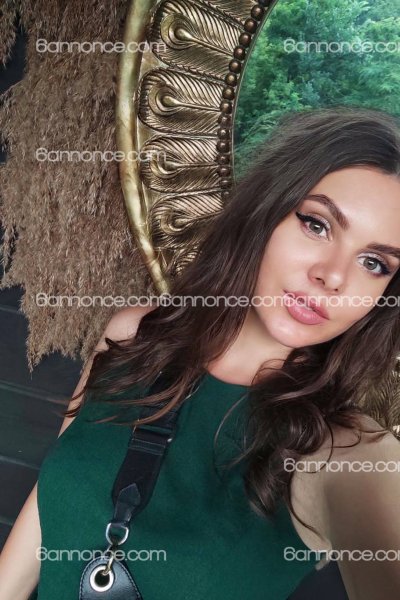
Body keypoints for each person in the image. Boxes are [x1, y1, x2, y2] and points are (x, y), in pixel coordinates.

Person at [1, 106, 400, 600]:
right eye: (317, 225)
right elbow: (51, 504)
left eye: (374, 263)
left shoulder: (353, 455)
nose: (333, 276)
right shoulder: (135, 334)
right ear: (265, 212)